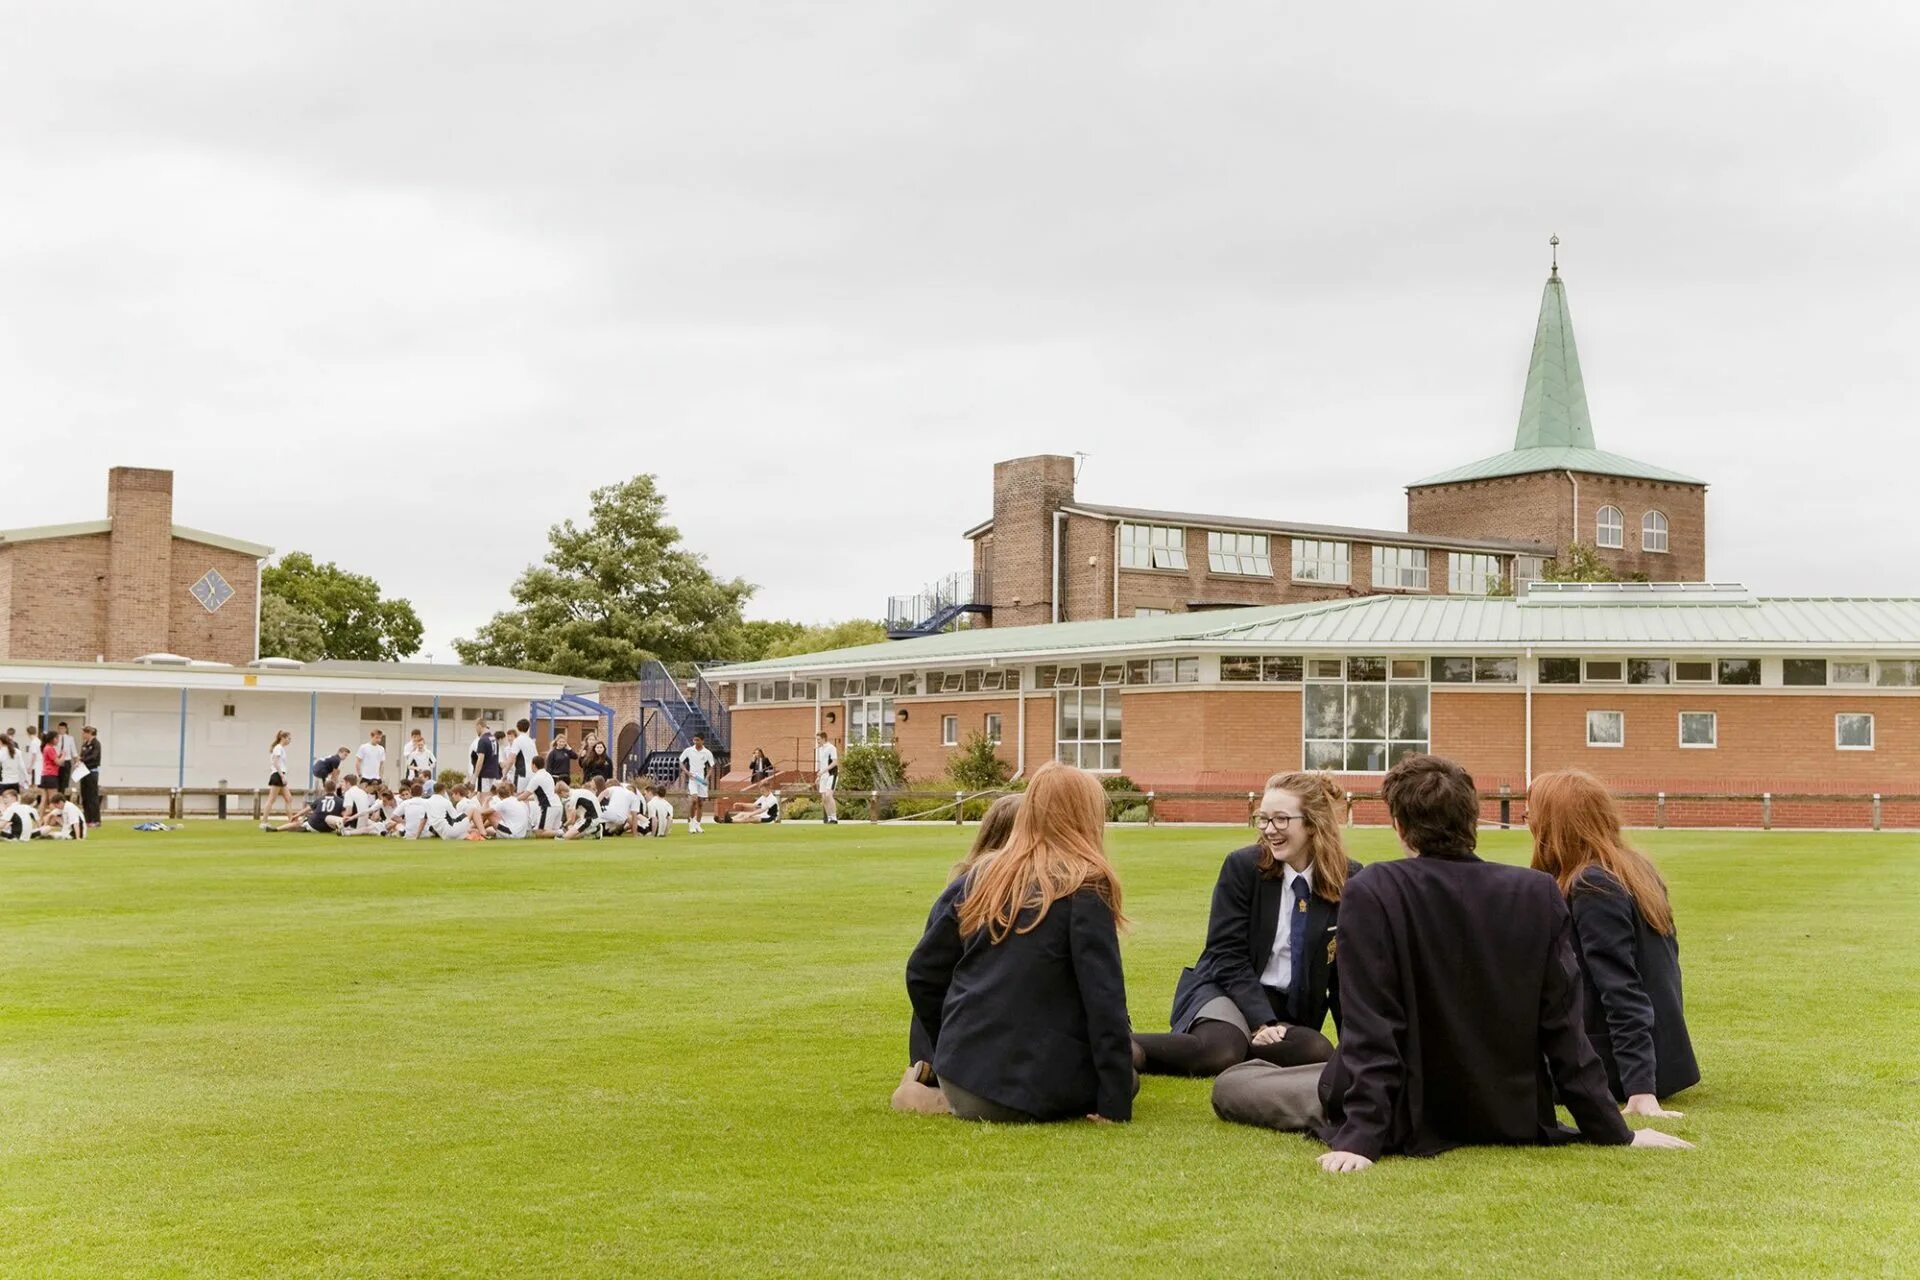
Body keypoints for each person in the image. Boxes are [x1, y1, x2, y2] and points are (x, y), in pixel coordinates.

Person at [1211, 754, 1691, 1170]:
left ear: (1399, 826)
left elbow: (1372, 1026)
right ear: (1473, 820)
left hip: (1405, 1107)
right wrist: (1613, 1130)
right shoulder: (1536, 892)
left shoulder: (1375, 889)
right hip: (1507, 1110)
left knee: (1235, 1082)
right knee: (1306, 1069)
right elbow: (1563, 1031)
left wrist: (1361, 1135)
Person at [904, 761, 1133, 1123]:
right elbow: (1105, 1002)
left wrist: (948, 1046)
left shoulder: (978, 876)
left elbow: (922, 973)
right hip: (1028, 1090)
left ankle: (931, 1091)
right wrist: (1116, 1105)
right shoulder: (1085, 888)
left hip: (960, 1077)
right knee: (1129, 1076)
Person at [1133, 772, 1354, 1078]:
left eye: (1280, 820)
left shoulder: (1349, 880)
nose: (1269, 830)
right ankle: (1121, 1047)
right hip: (1226, 989)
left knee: (1318, 1052)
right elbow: (1226, 954)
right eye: (1263, 819)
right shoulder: (1242, 867)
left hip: (1286, 1010)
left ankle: (1245, 1044)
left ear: (1313, 824)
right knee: (1219, 1051)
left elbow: (1346, 976)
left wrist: (1358, 1050)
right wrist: (1260, 1020)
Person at [1529, 769, 1700, 1113]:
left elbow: (1621, 986)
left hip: (1618, 1067)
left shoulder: (1594, 884)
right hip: (1662, 1058)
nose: (1529, 824)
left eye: (1531, 816)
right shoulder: (1634, 870)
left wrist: (1640, 1088)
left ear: (1554, 825)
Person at [893, 794, 1023, 1114]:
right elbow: (925, 974)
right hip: (956, 1028)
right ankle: (928, 1075)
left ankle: (929, 1067)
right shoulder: (974, 893)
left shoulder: (964, 888)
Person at [678, 733, 715, 834]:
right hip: (693, 779)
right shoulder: (689, 750)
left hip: (701, 780)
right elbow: (680, 761)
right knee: (693, 800)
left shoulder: (707, 753)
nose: (695, 742)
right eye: (694, 740)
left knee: (700, 803)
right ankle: (691, 824)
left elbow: (712, 766)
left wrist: (707, 778)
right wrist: (687, 772)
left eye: (698, 740)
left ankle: (698, 825)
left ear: (702, 741)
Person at [520, 754, 559, 834]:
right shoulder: (548, 775)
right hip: (557, 805)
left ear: (533, 765)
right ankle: (560, 833)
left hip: (548, 807)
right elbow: (542, 795)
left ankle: (562, 833)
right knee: (548, 832)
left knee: (540, 833)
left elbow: (525, 795)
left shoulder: (536, 778)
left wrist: (513, 799)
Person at [266, 730, 297, 824]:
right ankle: (264, 822)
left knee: (289, 798)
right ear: (282, 738)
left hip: (280, 774)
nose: (289, 741)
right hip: (277, 774)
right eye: (288, 738)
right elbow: (276, 762)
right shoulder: (278, 748)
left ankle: (291, 821)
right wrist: (282, 775)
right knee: (271, 799)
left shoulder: (281, 748)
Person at [78, 726, 102, 827]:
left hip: (92, 772)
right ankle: (87, 819)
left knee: (92, 796)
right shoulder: (84, 744)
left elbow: (94, 756)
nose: (83, 735)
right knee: (85, 796)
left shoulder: (96, 744)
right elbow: (82, 755)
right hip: (83, 771)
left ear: (90, 733)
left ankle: (95, 820)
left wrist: (82, 759)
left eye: (84, 733)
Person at [814, 732, 839, 825]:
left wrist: (823, 771)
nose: (817, 741)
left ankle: (834, 818)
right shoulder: (820, 749)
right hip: (823, 776)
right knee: (824, 798)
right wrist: (819, 776)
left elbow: (835, 762)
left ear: (824, 738)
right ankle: (829, 819)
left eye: (818, 739)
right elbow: (823, 764)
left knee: (829, 795)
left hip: (832, 774)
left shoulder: (832, 748)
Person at [470, 720, 501, 790]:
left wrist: (474, 778)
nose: (476, 731)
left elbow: (480, 760)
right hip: (494, 773)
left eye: (476, 728)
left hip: (484, 774)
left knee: (483, 797)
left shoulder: (483, 740)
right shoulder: (494, 739)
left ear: (479, 726)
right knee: (490, 796)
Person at [55, 721, 78, 792]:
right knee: (57, 779)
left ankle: (62, 794)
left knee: (64, 781)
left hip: (66, 760)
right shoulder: (56, 738)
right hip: (57, 760)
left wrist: (76, 762)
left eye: (62, 728)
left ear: (66, 729)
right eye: (59, 728)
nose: (61, 730)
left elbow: (74, 751)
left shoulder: (70, 738)